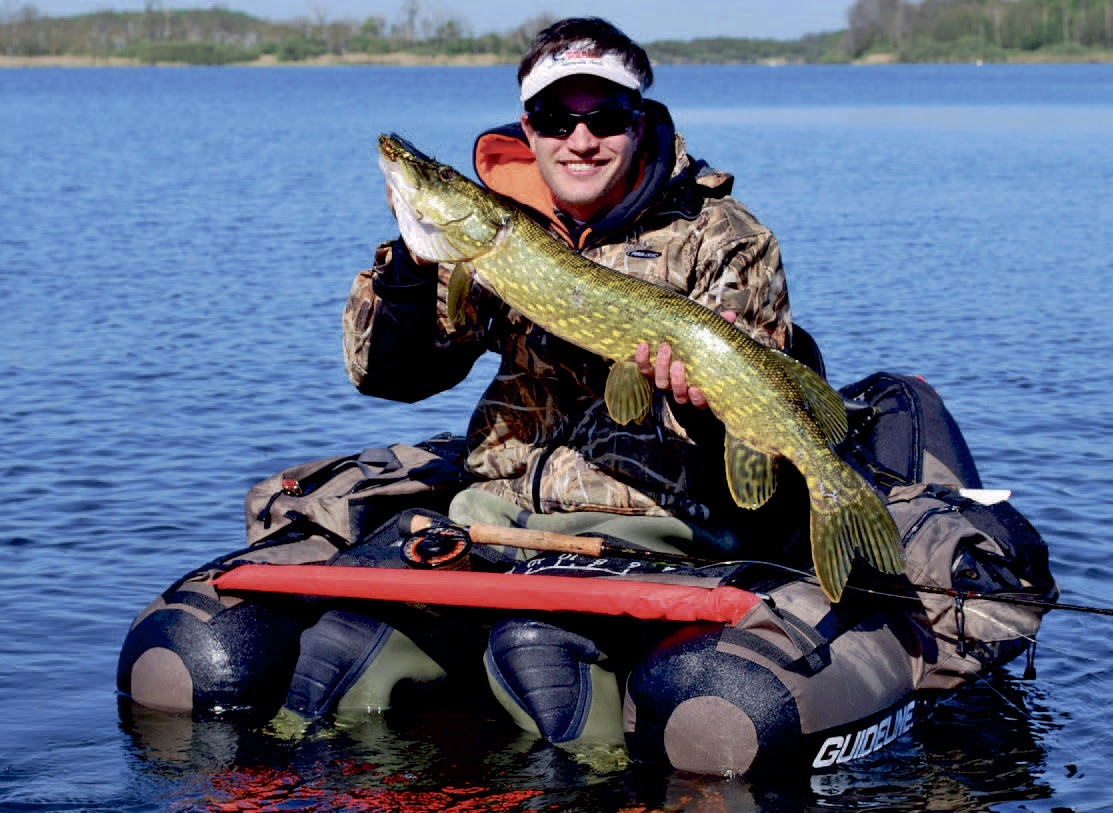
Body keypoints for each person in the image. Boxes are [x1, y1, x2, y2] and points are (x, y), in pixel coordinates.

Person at [344, 17, 795, 552]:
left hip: (655, 529)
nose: (580, 141)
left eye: (605, 119)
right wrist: (411, 270)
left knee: (535, 641)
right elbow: (393, 377)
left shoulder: (722, 238)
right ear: (528, 129)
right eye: (556, 120)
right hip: (493, 513)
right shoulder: (495, 235)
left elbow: (764, 424)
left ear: (638, 121)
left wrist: (698, 404)